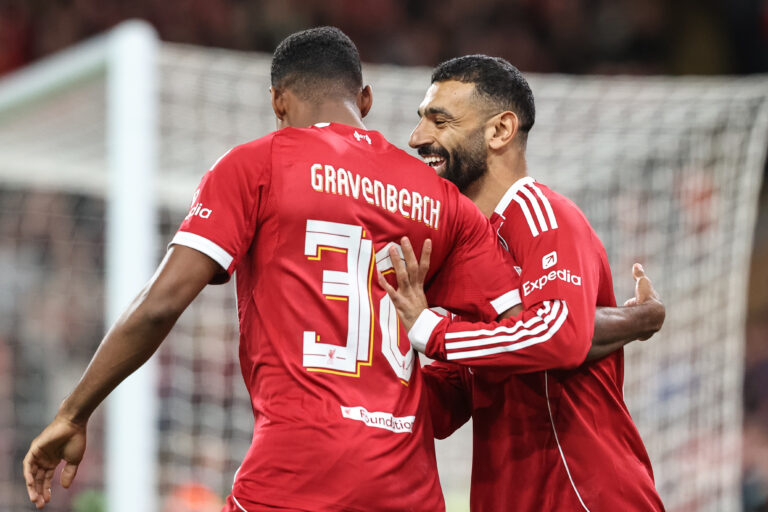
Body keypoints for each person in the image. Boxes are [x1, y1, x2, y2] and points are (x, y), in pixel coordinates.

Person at [21, 29, 524, 512]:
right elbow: (513, 332)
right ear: (365, 99)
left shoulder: (254, 166)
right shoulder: (442, 198)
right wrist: (418, 410)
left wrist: (73, 412)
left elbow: (162, 303)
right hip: (406, 484)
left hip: (296, 473)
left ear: (277, 101)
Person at [380, 55, 665, 510]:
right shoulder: (468, 245)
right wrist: (372, 386)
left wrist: (431, 330)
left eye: (440, 121)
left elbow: (559, 332)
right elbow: (457, 394)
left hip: (581, 494)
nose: (417, 138)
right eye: (420, 121)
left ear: (500, 131)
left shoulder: (541, 216)